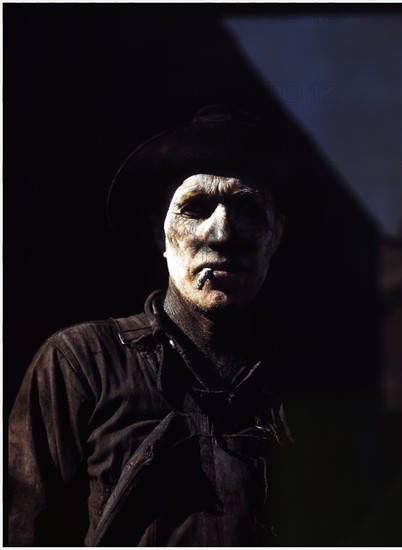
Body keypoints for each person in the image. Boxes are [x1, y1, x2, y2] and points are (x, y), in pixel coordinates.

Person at [8, 106, 300, 547]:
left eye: (247, 210)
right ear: (160, 235)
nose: (221, 234)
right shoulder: (80, 363)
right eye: (195, 208)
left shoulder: (304, 378)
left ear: (275, 236)